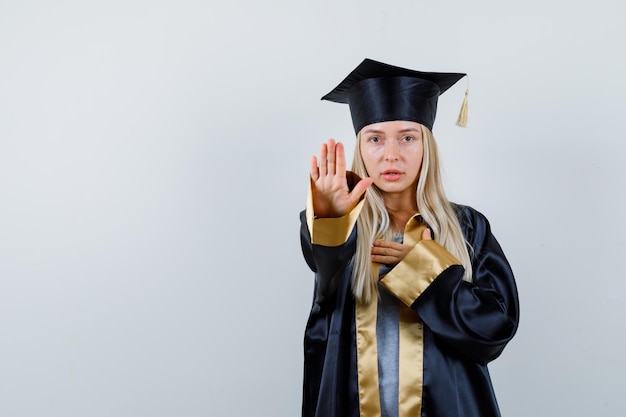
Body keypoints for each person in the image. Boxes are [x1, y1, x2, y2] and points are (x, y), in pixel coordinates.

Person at [299, 58, 520, 417]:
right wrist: (330, 216)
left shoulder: (467, 227)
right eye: (375, 139)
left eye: (407, 137)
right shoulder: (343, 225)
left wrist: (424, 271)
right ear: (360, 147)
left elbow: (494, 331)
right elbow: (323, 263)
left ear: (426, 145)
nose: (391, 154)